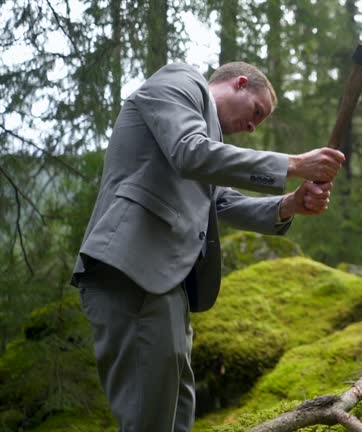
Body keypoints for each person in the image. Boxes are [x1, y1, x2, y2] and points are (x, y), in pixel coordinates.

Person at [70, 61, 346, 432]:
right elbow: (189, 152)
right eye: (256, 113)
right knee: (148, 419)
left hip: (164, 282)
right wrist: (294, 164)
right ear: (240, 83)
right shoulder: (180, 82)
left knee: (176, 412)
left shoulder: (205, 142)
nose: (251, 127)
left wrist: (289, 205)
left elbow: (222, 202)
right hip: (132, 267)